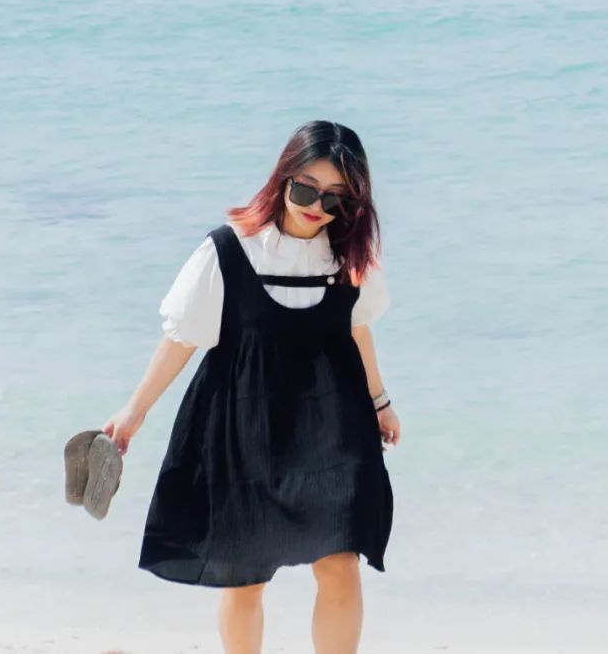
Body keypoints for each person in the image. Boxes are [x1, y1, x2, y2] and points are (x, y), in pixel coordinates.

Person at [103, 121, 399, 654]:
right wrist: (134, 412)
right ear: (283, 177)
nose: (316, 206)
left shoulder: (348, 260)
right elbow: (181, 339)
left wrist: (380, 401)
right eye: (306, 188)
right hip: (245, 425)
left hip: (334, 425)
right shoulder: (228, 251)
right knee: (245, 576)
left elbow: (357, 331)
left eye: (334, 198)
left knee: (340, 564)